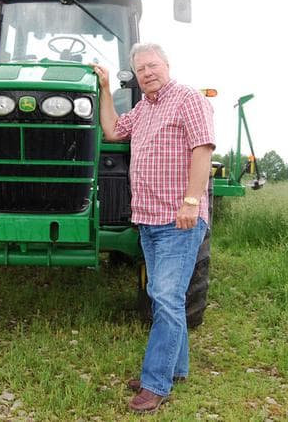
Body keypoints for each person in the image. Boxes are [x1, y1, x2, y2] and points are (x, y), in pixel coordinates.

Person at [92, 43, 215, 414]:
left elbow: (203, 149)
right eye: (140, 68)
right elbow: (112, 131)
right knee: (168, 296)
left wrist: (192, 200)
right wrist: (104, 87)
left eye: (153, 65)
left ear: (167, 64)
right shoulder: (142, 109)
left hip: (179, 217)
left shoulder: (188, 99)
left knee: (165, 298)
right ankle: (176, 369)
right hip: (148, 219)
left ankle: (155, 383)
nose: (147, 72)